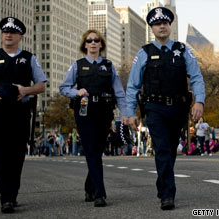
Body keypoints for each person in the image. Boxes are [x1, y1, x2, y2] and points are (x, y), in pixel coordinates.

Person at [126, 7, 205, 210]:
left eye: (165, 23)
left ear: (170, 26)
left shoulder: (182, 49)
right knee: (161, 149)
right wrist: (129, 112)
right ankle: (168, 195)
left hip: (178, 108)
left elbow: (196, 77)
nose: (162, 26)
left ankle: (163, 183)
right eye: (157, 24)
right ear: (152, 28)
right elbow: (133, 85)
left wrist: (199, 101)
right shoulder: (144, 53)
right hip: (154, 108)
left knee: (170, 151)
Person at [0, 17, 46, 213]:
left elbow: (41, 85)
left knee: (16, 156)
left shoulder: (29, 58)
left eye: (12, 32)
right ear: (2, 34)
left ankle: (11, 194)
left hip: (20, 112)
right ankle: (5, 196)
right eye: (5, 31)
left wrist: (25, 90)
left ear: (20, 36)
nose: (8, 35)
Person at [60, 29, 128, 207]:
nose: (93, 43)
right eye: (89, 40)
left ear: (101, 44)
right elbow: (63, 87)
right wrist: (76, 92)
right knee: (91, 150)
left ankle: (89, 186)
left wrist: (125, 113)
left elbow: (119, 92)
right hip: (84, 112)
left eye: (96, 40)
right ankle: (100, 193)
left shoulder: (109, 65)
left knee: (96, 152)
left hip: (104, 111)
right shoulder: (77, 65)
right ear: (84, 44)